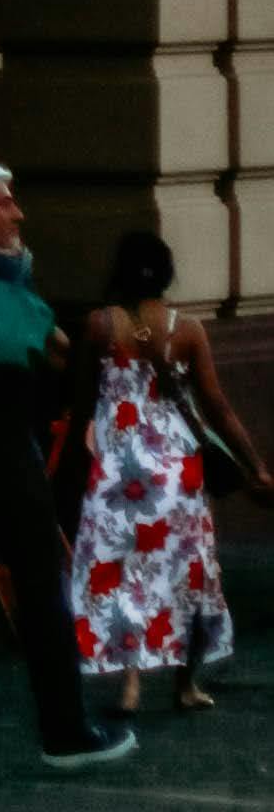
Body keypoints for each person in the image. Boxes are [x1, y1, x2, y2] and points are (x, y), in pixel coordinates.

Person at [0, 157, 135, 783]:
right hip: (5, 452)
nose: (18, 212)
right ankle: (63, 732)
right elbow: (49, 355)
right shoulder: (0, 282)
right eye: (7, 203)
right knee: (40, 588)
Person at [69, 229, 271, 716]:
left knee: (123, 574)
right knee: (187, 572)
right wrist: (255, 466)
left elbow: (79, 395)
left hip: (119, 470)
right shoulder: (188, 330)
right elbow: (217, 406)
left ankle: (130, 685)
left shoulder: (98, 325)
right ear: (167, 273)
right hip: (177, 468)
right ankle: (185, 685)